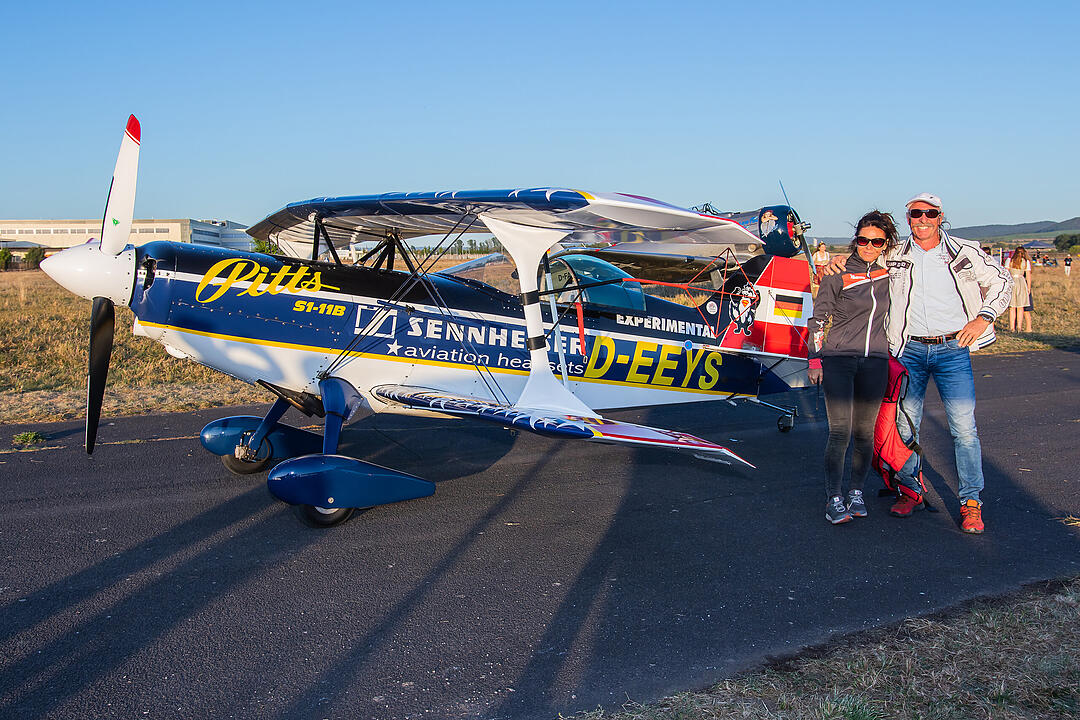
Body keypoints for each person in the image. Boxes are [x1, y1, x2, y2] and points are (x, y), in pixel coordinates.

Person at [824, 193, 1012, 533]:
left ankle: (971, 503)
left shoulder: (964, 252)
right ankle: (909, 489)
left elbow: (1003, 281)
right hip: (910, 350)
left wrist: (983, 317)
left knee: (964, 430)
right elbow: (864, 255)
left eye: (930, 213)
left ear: (941, 217)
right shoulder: (894, 254)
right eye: (915, 214)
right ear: (908, 218)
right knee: (906, 428)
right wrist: (839, 260)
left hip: (954, 348)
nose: (922, 219)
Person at [808, 211, 897, 524]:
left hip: (876, 360)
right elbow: (818, 318)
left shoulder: (892, 270)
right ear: (855, 239)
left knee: (864, 433)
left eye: (876, 241)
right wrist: (814, 358)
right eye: (863, 240)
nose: (869, 246)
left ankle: (856, 492)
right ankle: (834, 497)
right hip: (839, 359)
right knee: (840, 432)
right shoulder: (839, 271)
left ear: (886, 244)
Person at [1008, 247, 1033, 332]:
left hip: (1011, 282)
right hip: (1021, 282)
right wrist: (1028, 287)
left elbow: (1006, 273)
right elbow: (1028, 276)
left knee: (1012, 307)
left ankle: (1012, 328)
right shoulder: (1026, 262)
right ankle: (1019, 327)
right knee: (1020, 307)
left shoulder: (1009, 261)